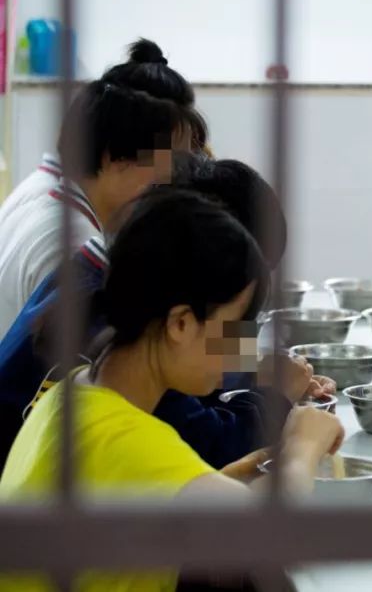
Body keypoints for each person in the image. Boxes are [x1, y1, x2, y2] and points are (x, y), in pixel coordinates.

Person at [0, 188, 344, 591]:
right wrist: (304, 444)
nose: (245, 350)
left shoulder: (70, 393)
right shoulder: (130, 442)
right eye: (236, 327)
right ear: (181, 323)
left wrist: (224, 476)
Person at [0, 154, 323, 469]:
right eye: (241, 310)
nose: (243, 334)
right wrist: (287, 419)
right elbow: (210, 448)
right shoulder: (127, 383)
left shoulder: (115, 296)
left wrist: (253, 375)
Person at [0, 43, 207, 335]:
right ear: (115, 156)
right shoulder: (74, 244)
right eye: (171, 163)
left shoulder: (50, 193)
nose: (176, 180)